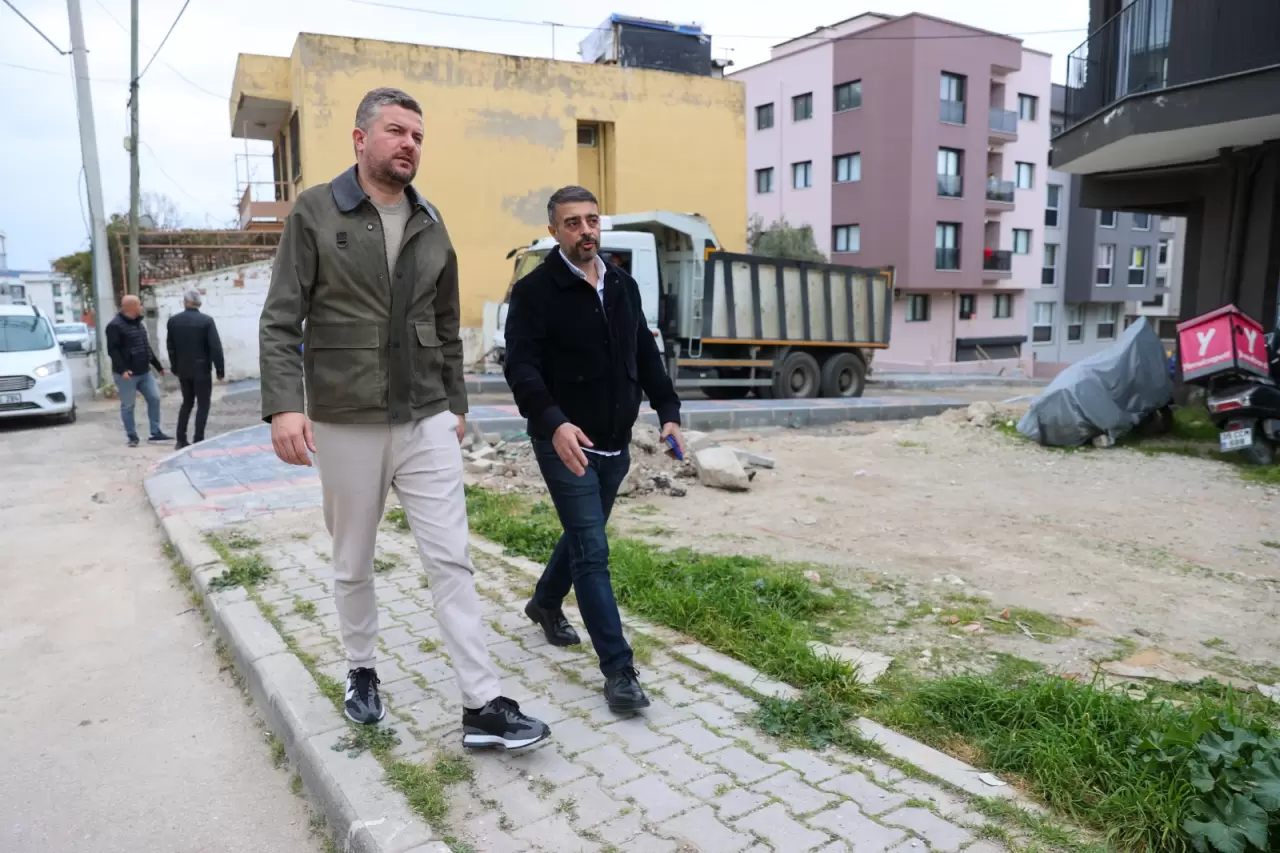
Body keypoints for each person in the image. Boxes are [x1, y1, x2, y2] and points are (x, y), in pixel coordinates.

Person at [258, 87, 549, 750]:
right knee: (353, 560)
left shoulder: (430, 221)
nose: (409, 144)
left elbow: (445, 326)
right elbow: (280, 319)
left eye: (417, 135)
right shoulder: (315, 212)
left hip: (424, 418)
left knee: (452, 559)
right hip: (345, 418)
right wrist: (284, 404)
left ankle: (482, 703)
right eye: (396, 131)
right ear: (360, 139)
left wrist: (456, 404)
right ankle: (361, 668)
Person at [504, 185, 686, 713]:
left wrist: (668, 411)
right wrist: (554, 423)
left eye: (592, 220)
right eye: (573, 223)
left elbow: (645, 352)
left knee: (584, 537)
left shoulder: (622, 284)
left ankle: (544, 603)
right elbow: (521, 367)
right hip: (563, 443)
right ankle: (619, 671)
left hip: (614, 440)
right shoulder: (535, 291)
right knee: (592, 551)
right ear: (553, 231)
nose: (585, 231)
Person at [106, 294, 171, 448]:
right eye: (139, 304)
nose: (141, 307)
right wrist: (122, 370)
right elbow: (113, 350)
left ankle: (155, 432)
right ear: (131, 307)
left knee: (154, 398)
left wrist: (158, 366)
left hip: (144, 371)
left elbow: (145, 347)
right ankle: (132, 436)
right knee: (128, 405)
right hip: (127, 374)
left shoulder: (138, 324)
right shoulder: (114, 326)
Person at [166, 288, 226, 449]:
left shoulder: (173, 321)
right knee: (203, 404)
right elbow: (215, 347)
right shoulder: (206, 321)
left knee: (187, 402)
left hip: (183, 369)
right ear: (199, 303)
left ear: (185, 302)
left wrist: (175, 367)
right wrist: (220, 370)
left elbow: (170, 347)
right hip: (202, 368)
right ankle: (198, 439)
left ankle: (181, 439)